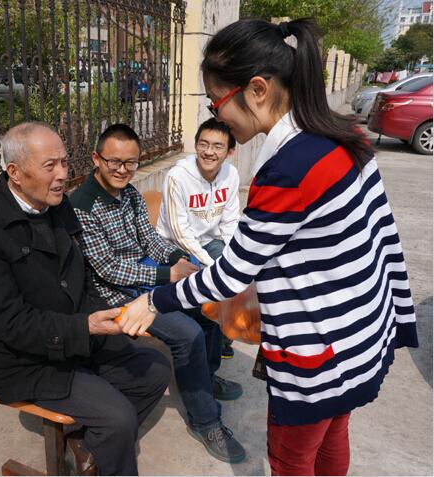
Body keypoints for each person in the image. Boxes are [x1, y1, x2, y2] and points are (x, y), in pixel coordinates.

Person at [119, 18, 419, 476]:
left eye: (217, 103)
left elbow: (231, 274)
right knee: (333, 436)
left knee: (291, 459)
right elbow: (383, 237)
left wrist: (153, 300)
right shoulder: (344, 136)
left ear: (257, 89)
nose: (218, 118)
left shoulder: (290, 167)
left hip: (319, 350)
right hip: (362, 332)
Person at [0, 122, 171, 476]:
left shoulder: (57, 205)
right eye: (49, 166)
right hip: (27, 361)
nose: (62, 175)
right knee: (118, 418)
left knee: (155, 370)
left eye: (64, 162)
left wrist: (107, 317)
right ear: (15, 173)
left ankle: (90, 445)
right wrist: (84, 327)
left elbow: (81, 275)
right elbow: (10, 325)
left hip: (77, 335)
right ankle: (110, 447)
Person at [70, 124, 247, 464]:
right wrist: (168, 273)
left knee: (208, 304)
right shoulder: (82, 205)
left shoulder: (130, 193)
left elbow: (150, 240)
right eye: (114, 162)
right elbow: (108, 270)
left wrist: (177, 258)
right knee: (188, 334)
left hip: (147, 277)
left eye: (130, 162)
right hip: (115, 295)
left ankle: (205, 380)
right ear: (96, 159)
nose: (122, 170)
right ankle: (205, 421)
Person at [156, 117, 240, 359]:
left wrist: (234, 259)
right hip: (174, 247)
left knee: (239, 276)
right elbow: (179, 232)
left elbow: (230, 222)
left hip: (210, 242)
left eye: (217, 146)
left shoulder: (231, 174)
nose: (209, 152)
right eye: (203, 144)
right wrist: (212, 265)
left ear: (230, 152)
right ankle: (209, 358)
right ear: (195, 145)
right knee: (211, 288)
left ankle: (223, 337)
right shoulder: (177, 177)